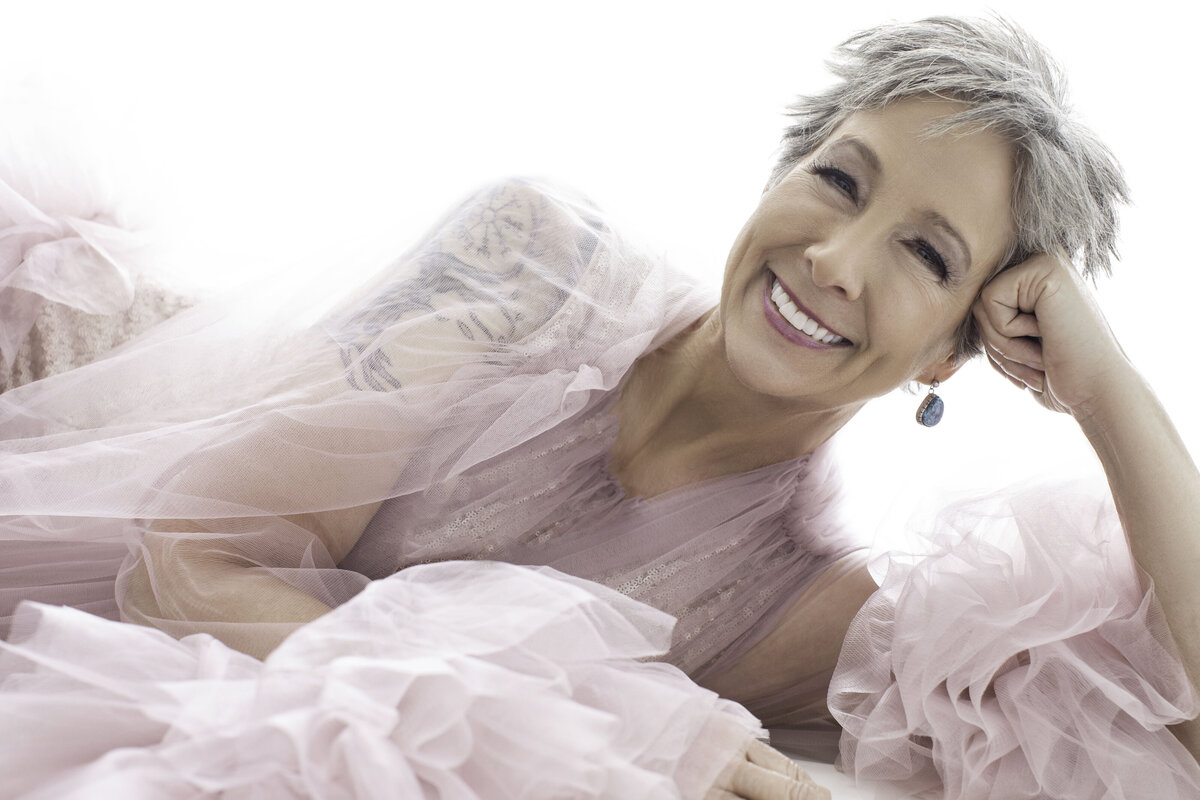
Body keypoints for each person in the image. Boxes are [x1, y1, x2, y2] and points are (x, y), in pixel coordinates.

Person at [1, 14, 1197, 799]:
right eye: (837, 177)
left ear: (953, 348)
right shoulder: (533, 260)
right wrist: (611, 718)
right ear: (781, 172)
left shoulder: (800, 605)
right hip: (56, 387)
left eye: (926, 255)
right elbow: (186, 565)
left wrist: (1111, 392)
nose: (835, 257)